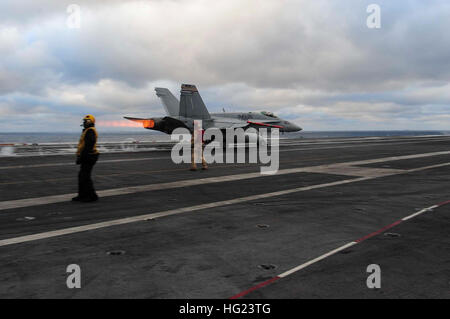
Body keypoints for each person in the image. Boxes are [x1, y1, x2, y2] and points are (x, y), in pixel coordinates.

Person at [72, 114, 100, 202]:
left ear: (91, 122)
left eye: (86, 121)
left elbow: (88, 146)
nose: (84, 122)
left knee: (85, 177)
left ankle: (92, 196)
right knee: (82, 176)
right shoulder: (87, 130)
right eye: (84, 121)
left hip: (89, 156)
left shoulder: (90, 131)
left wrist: (81, 158)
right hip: (87, 155)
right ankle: (82, 195)